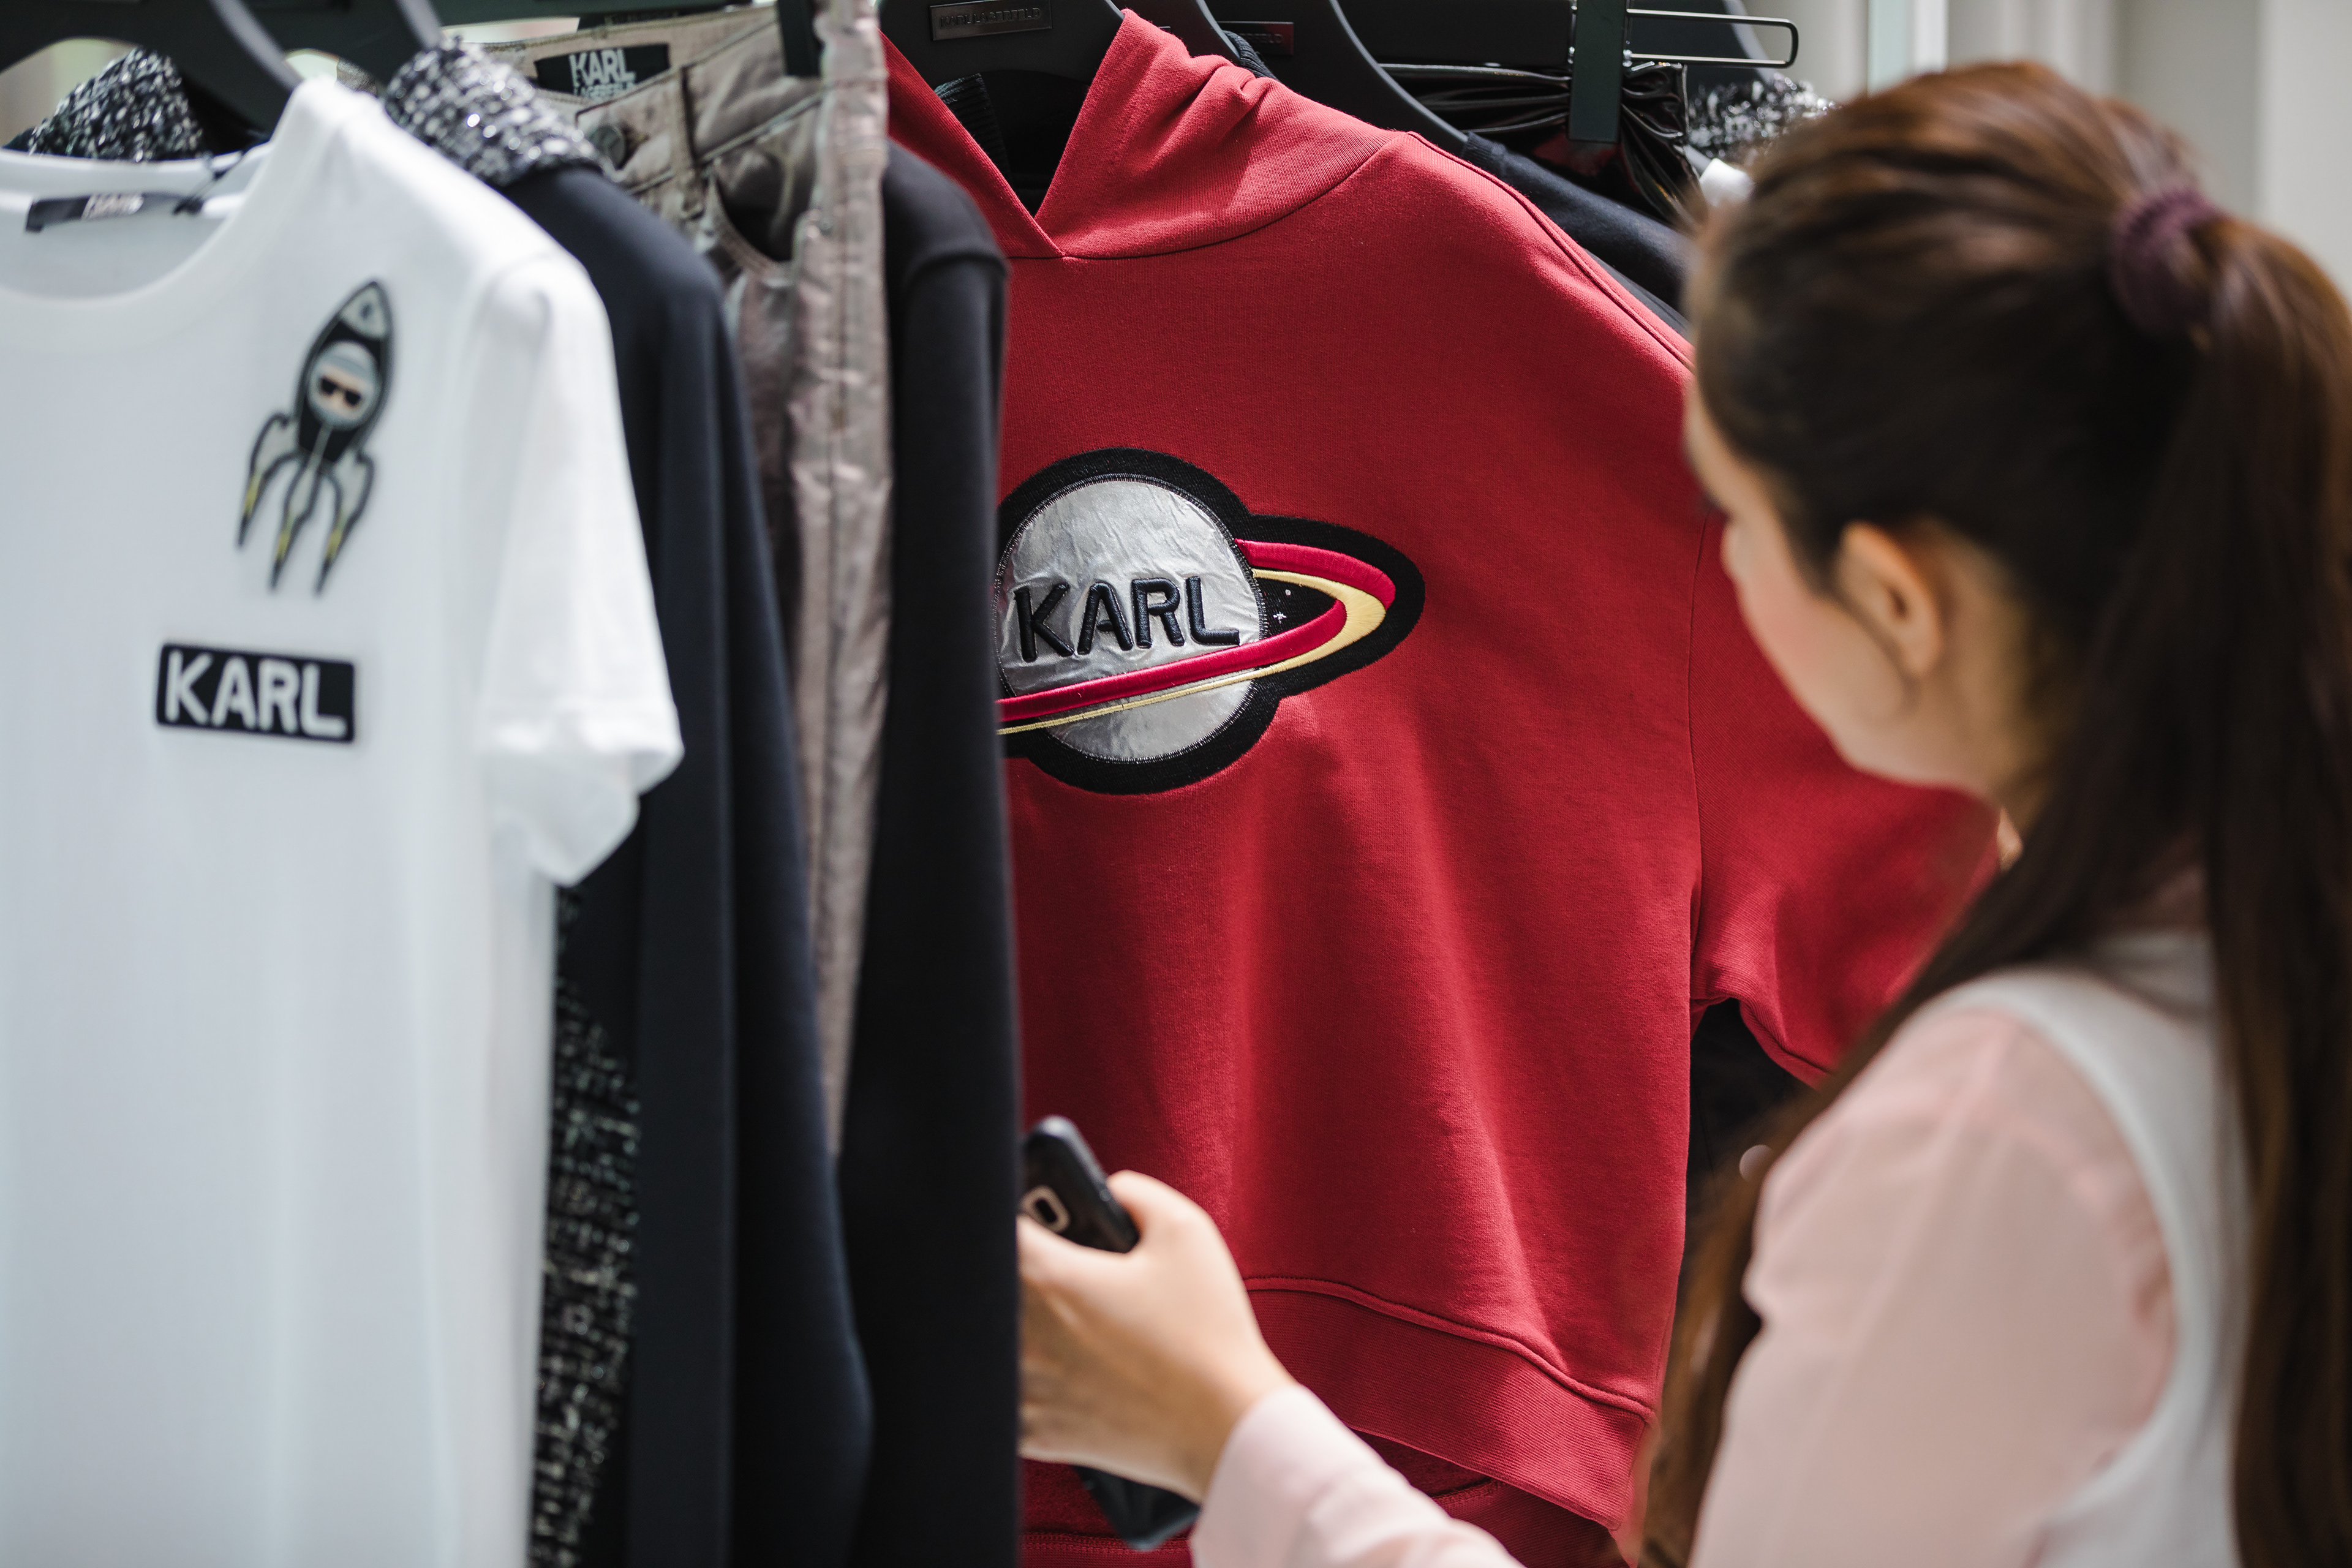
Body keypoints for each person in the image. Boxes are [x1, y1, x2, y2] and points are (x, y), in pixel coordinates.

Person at [1015, 62, 2352, 1568]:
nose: (1712, 576)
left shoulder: (1997, 1134)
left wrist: (1225, 1425)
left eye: (1730, 515)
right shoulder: (2251, 972)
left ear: (1894, 600)